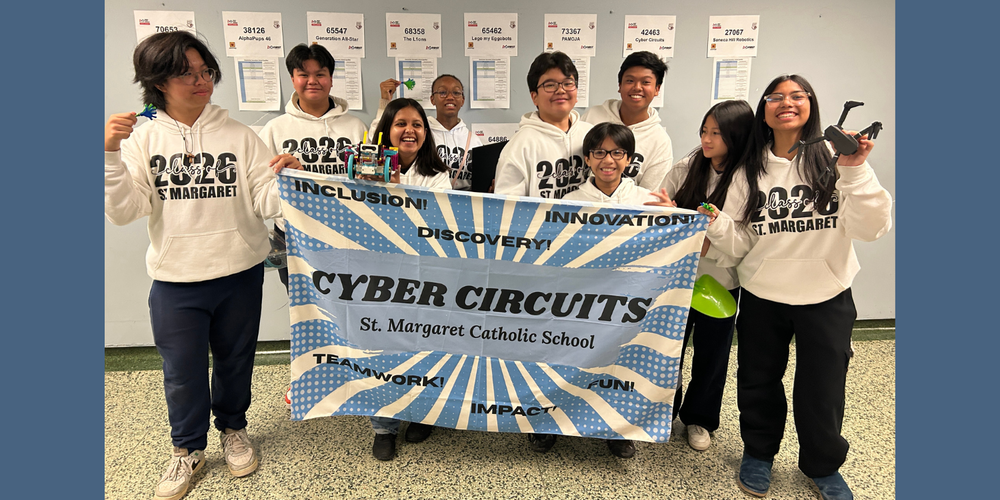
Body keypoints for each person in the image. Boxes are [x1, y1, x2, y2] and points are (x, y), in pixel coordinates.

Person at [104, 31, 302, 500]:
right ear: (157, 81)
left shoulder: (239, 135)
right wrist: (108, 154)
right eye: (186, 73)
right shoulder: (142, 137)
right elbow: (123, 209)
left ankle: (234, 430)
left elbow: (263, 200)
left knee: (236, 361)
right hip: (176, 279)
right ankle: (187, 450)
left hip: (240, 272)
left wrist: (286, 182)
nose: (200, 81)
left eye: (205, 71)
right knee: (182, 370)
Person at [700, 75, 892, 500]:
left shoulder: (837, 157)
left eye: (796, 96)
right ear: (764, 112)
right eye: (775, 97)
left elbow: (872, 227)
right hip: (764, 294)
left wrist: (855, 170)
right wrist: (715, 222)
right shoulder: (748, 169)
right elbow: (739, 244)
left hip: (826, 293)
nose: (785, 103)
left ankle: (823, 466)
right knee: (757, 380)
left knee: (822, 388)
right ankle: (758, 453)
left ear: (811, 105)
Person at [256, 43, 369, 410]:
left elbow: (364, 183)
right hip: (297, 240)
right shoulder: (274, 129)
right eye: (304, 73)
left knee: (352, 310)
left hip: (347, 237)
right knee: (305, 313)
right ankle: (305, 379)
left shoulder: (355, 126)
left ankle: (353, 374)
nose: (312, 80)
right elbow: (262, 188)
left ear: (331, 78)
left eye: (320, 73)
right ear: (293, 78)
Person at [657, 100, 754, 452]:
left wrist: (709, 242)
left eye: (716, 133)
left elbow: (746, 240)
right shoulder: (687, 165)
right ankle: (663, 409)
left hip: (721, 282)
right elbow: (660, 207)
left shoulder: (749, 177)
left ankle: (700, 418)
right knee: (668, 348)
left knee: (712, 355)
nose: (707, 139)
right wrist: (666, 213)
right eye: (704, 131)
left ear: (737, 135)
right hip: (676, 278)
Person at [365, 97, 451, 460]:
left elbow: (435, 228)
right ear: (386, 130)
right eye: (401, 123)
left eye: (417, 124)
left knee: (426, 350)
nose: (410, 130)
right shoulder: (365, 169)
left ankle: (423, 414)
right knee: (382, 353)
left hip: (426, 279)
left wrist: (399, 190)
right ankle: (384, 426)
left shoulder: (439, 176)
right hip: (379, 280)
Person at [494, 51, 594, 201]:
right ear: (534, 97)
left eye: (568, 83)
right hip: (538, 224)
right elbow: (507, 205)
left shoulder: (591, 135)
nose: (560, 90)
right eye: (550, 85)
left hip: (585, 223)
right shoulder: (521, 145)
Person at [581, 51, 673, 190]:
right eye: (630, 80)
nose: (637, 87)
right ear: (620, 85)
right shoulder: (593, 116)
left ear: (657, 89)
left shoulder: (660, 141)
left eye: (646, 82)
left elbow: (649, 197)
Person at [370, 75, 483, 189]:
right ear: (432, 99)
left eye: (456, 93)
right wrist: (385, 101)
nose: (450, 97)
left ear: (425, 134)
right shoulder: (373, 171)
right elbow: (376, 136)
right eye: (443, 92)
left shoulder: (438, 175)